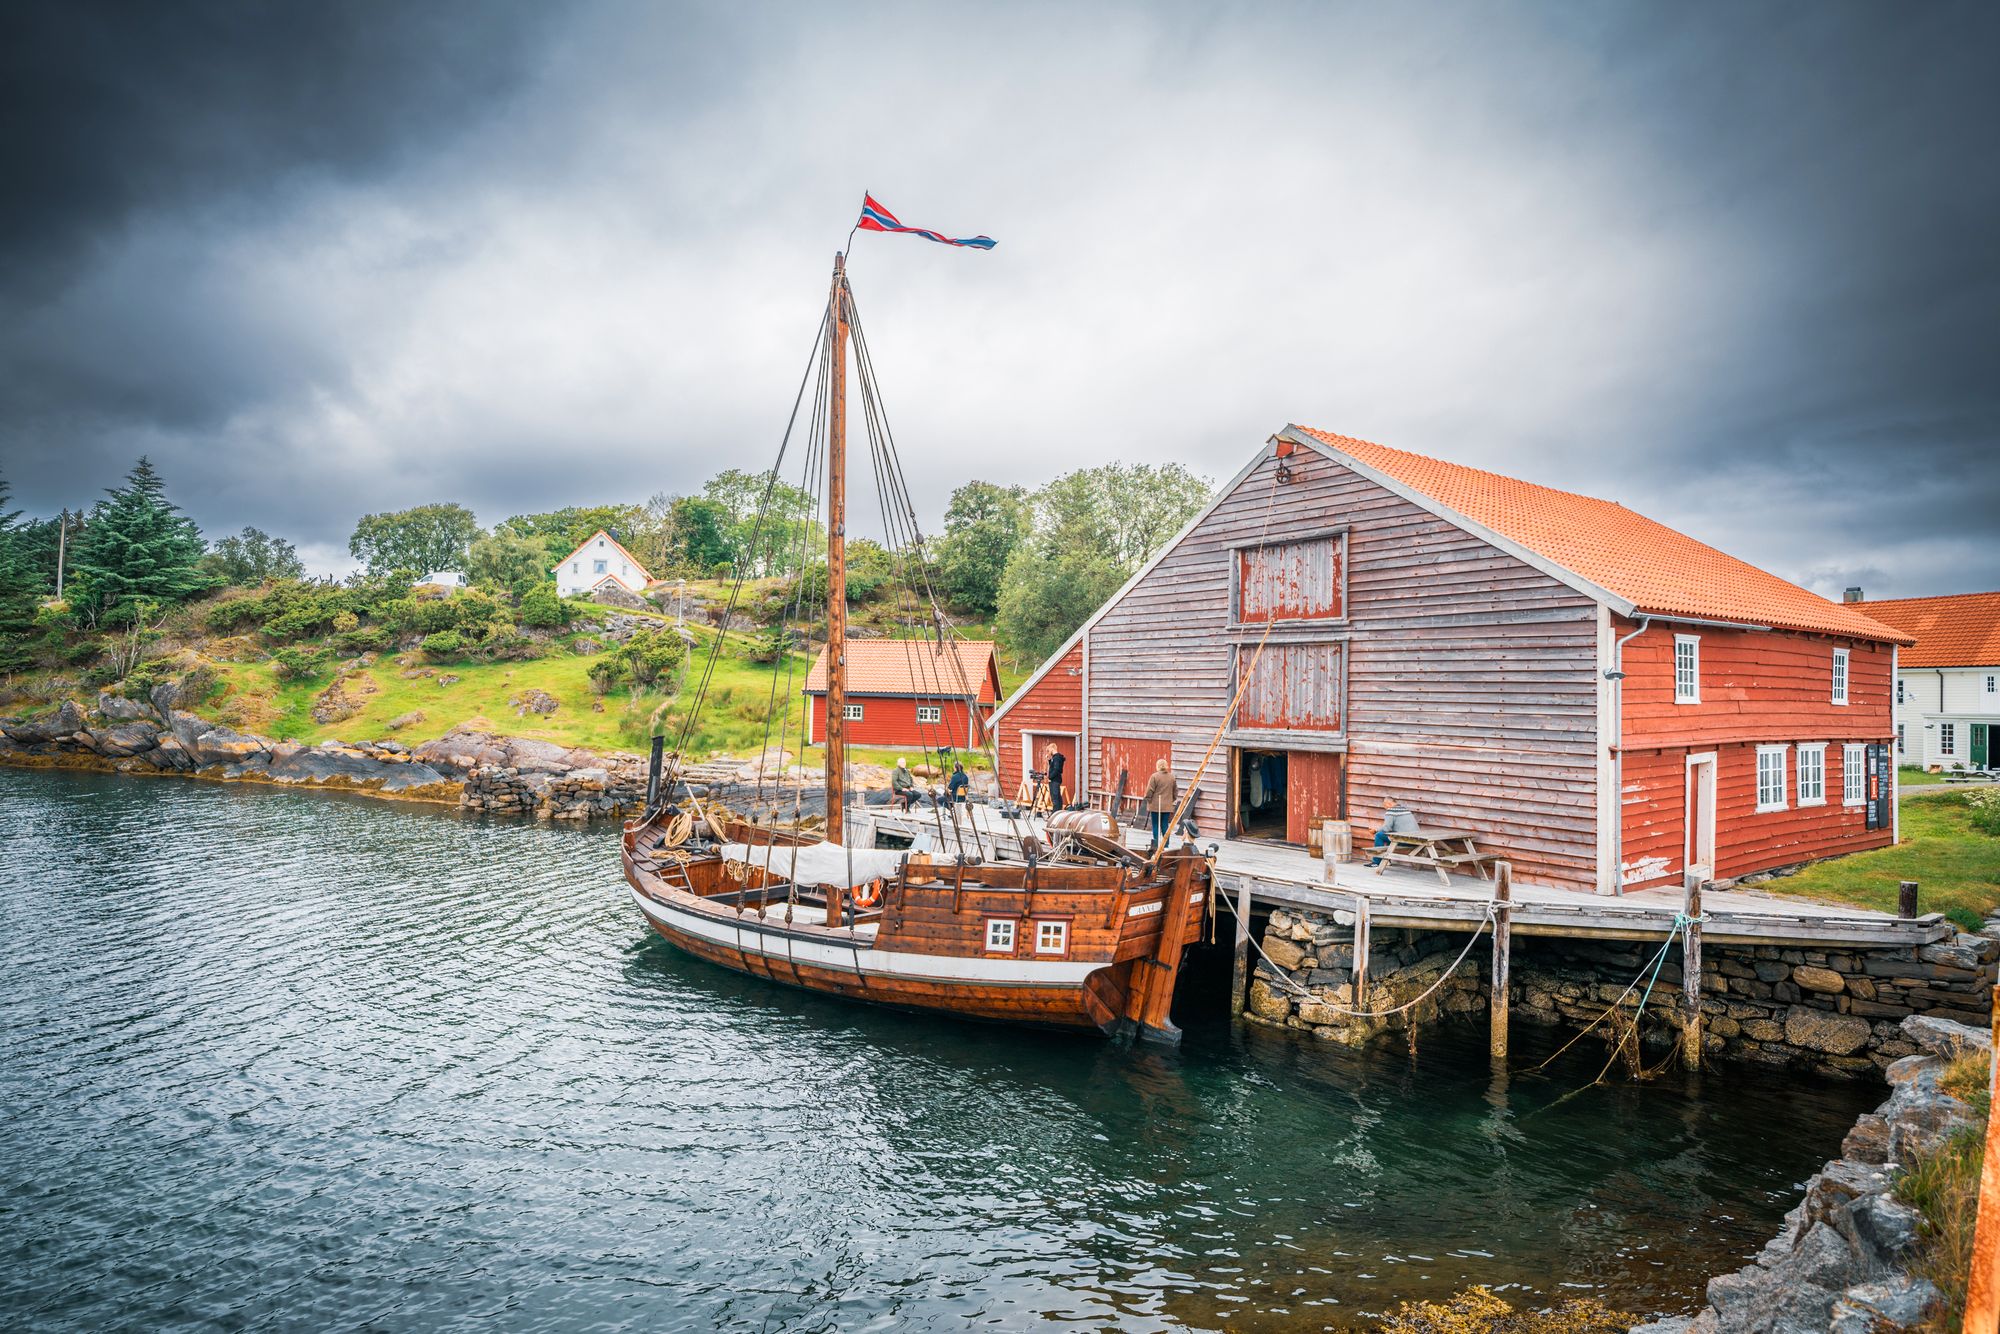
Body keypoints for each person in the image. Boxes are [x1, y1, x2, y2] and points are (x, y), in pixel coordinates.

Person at [1367, 796, 1418, 866]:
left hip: (1406, 841)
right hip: (1416, 840)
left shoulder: (1391, 811)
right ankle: (1387, 861)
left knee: (1379, 835)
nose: (1385, 808)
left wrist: (1375, 831)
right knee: (1390, 836)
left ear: (1388, 804)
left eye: (1384, 806)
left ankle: (1377, 862)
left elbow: (1386, 829)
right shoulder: (1405, 809)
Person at [1141, 757, 1177, 851]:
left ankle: (1156, 843)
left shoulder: (1154, 776)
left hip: (1155, 805)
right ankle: (1166, 845)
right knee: (1165, 825)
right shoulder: (1171, 777)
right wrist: (1171, 800)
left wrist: (1148, 799)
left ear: (1158, 766)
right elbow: (1175, 792)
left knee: (1156, 824)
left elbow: (1149, 790)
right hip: (1167, 806)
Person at [1043, 743, 1067, 809]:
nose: (1048, 752)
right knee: (1057, 797)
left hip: (1054, 780)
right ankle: (1058, 811)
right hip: (1056, 779)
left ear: (1052, 749)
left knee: (1055, 797)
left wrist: (1050, 777)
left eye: (1048, 750)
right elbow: (1054, 767)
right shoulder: (1055, 758)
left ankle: (1055, 812)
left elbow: (1056, 769)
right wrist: (1050, 760)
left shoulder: (1056, 758)